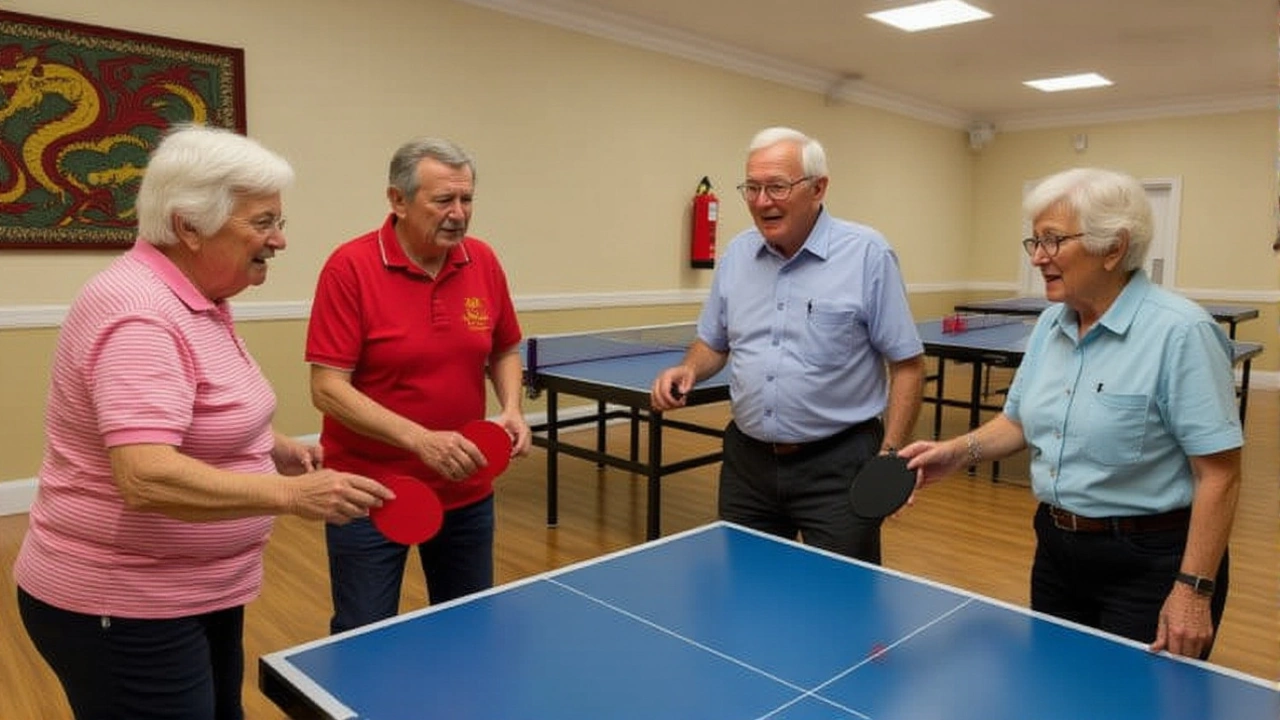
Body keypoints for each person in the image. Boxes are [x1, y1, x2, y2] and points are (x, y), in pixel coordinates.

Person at [12, 125, 392, 720]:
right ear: (189, 226)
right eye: (263, 222)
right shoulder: (138, 315)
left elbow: (192, 412)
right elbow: (146, 476)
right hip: (125, 603)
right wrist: (292, 494)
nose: (280, 240)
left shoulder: (199, 296)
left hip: (194, 588)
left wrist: (269, 445)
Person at [899, 167, 1242, 660]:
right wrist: (955, 452)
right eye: (1034, 241)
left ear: (1114, 248)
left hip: (1150, 563)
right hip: (1058, 550)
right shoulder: (1048, 326)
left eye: (1053, 240)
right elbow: (1018, 420)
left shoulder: (1181, 333)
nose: (1038, 257)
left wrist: (1193, 589)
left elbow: (1220, 475)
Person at [650, 127, 926, 564]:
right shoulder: (737, 257)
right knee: (748, 594)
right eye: (753, 188)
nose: (762, 201)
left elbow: (908, 365)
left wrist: (890, 456)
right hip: (748, 465)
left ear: (819, 188)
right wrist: (689, 369)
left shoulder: (868, 254)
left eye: (777, 186)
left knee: (840, 602)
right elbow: (713, 342)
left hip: (839, 465)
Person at [306, 137, 530, 634]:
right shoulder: (350, 267)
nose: (458, 214)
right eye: (442, 200)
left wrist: (512, 407)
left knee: (468, 629)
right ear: (398, 200)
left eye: (466, 199)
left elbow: (505, 348)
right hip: (368, 493)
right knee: (366, 637)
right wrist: (420, 440)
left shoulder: (484, 261)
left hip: (465, 487)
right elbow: (327, 388)